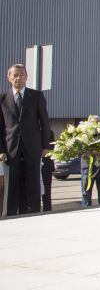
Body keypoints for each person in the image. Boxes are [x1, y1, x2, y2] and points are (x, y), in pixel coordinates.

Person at [0, 64, 51, 215]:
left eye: (22, 75)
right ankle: (9, 214)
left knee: (33, 180)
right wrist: (1, 150)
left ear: (27, 77)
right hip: (11, 148)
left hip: (33, 146)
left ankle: (33, 211)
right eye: (15, 75)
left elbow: (44, 122)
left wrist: (45, 146)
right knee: (11, 183)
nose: (18, 78)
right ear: (9, 77)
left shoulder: (36, 96)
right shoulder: (3, 98)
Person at [81, 116, 100, 207]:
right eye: (92, 122)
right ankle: (86, 210)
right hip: (86, 169)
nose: (94, 124)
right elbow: (79, 150)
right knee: (86, 193)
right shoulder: (83, 135)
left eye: (96, 122)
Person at [40, 131, 55, 212]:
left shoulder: (49, 132)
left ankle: (47, 210)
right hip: (33, 165)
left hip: (46, 166)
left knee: (47, 191)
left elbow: (51, 147)